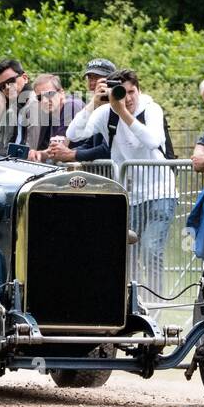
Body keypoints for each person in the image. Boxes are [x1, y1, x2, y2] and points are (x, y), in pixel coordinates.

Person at [66, 68, 177, 293]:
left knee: (151, 249)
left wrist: (123, 112)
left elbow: (153, 140)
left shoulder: (151, 109)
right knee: (129, 253)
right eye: (121, 93)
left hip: (160, 193)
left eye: (132, 92)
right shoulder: (105, 112)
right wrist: (93, 103)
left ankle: (156, 303)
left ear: (139, 90)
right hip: (130, 196)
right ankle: (133, 303)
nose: (127, 98)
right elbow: (74, 134)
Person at [45, 58, 117, 163]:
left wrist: (71, 154)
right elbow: (88, 143)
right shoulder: (95, 106)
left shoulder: (119, 105)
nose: (92, 83)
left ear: (112, 80)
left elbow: (108, 149)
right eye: (89, 78)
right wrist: (63, 153)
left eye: (97, 78)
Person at [0, 58, 41, 153]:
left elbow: (30, 151)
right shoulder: (14, 108)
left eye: (11, 80)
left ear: (25, 78)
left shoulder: (35, 105)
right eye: (2, 86)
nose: (7, 87)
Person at [30, 73, 84, 159]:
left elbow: (58, 149)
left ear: (61, 93)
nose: (44, 100)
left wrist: (38, 154)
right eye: (40, 98)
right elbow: (48, 149)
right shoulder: (52, 113)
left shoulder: (71, 106)